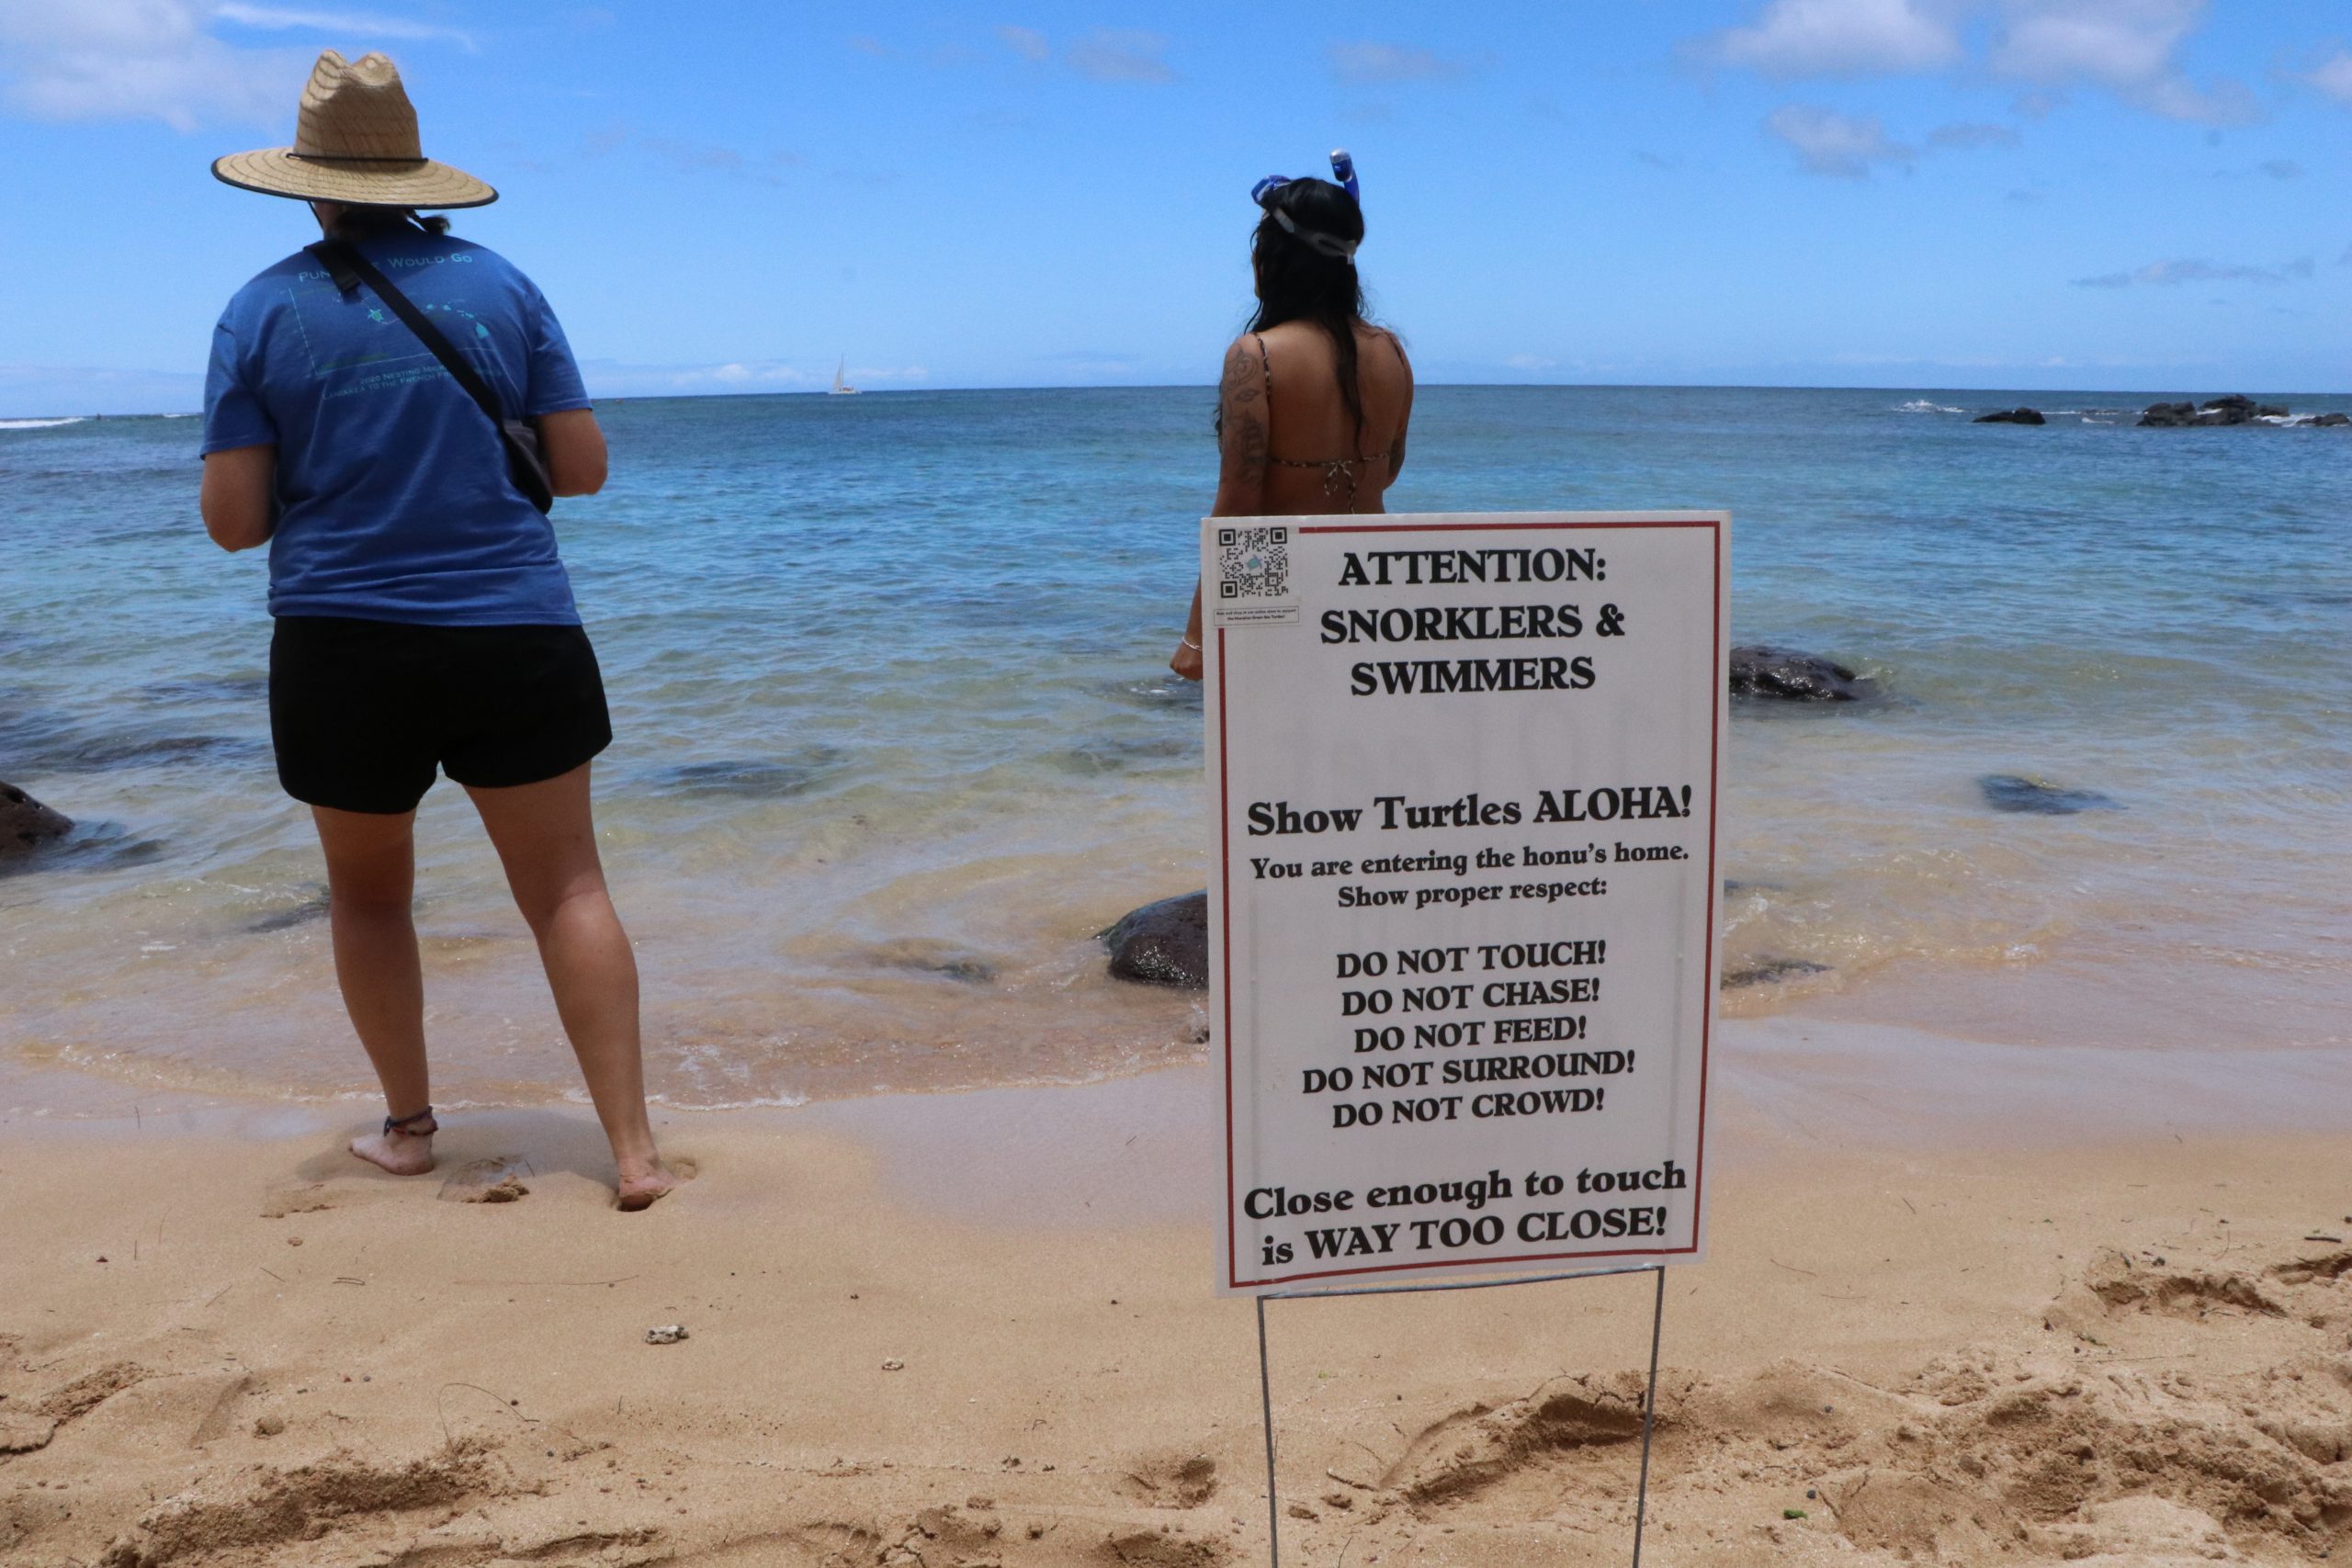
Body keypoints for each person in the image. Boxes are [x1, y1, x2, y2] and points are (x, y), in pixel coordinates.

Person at [199, 50, 677, 1210]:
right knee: (567, 887)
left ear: (305, 183)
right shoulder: (504, 288)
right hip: (512, 625)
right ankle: (632, 1152)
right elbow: (584, 470)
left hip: (340, 639)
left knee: (368, 898)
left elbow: (233, 524)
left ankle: (410, 1133)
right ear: (413, 174)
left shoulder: (260, 309)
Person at [1170, 157, 1414, 681]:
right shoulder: (1391, 351)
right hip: (1372, 577)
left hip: (1279, 581)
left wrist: (1196, 635)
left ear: (1274, 258)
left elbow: (1238, 505)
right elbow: (1389, 470)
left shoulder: (1254, 355)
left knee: (1276, 753)